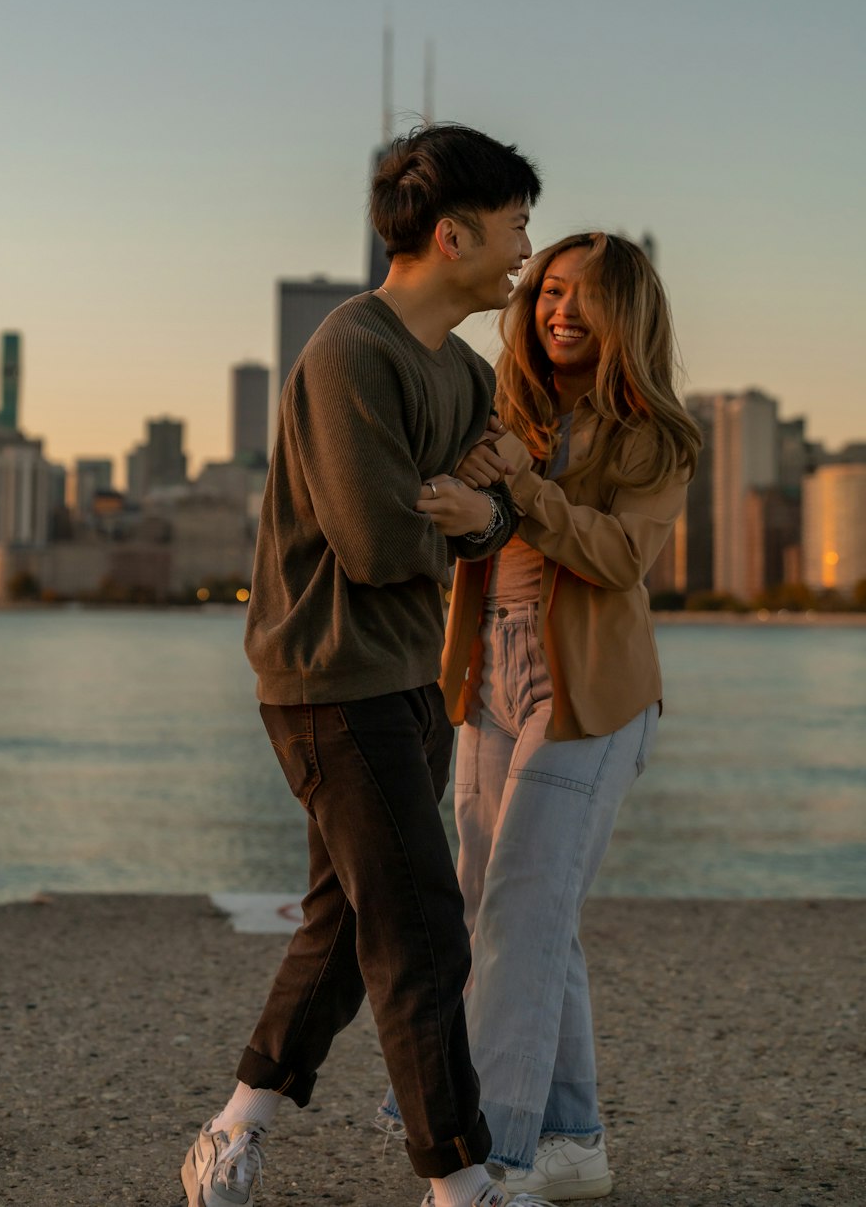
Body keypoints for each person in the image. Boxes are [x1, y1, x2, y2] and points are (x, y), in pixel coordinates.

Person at [180, 123, 554, 1207]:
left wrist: (473, 505)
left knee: (347, 921)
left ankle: (234, 1126)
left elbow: (479, 524)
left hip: (407, 680)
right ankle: (460, 1178)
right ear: (454, 233)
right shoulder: (351, 352)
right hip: (330, 685)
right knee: (423, 932)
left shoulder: (460, 370)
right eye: (516, 222)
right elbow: (379, 544)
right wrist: (464, 504)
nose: (526, 247)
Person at [378, 231, 701, 1200]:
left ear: (626, 316)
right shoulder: (492, 401)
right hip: (486, 671)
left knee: (521, 907)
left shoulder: (657, 436)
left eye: (586, 297)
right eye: (549, 289)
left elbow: (617, 559)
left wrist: (518, 486)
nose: (560, 309)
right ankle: (573, 1141)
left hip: (588, 692)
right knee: (506, 909)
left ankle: (495, 1157)